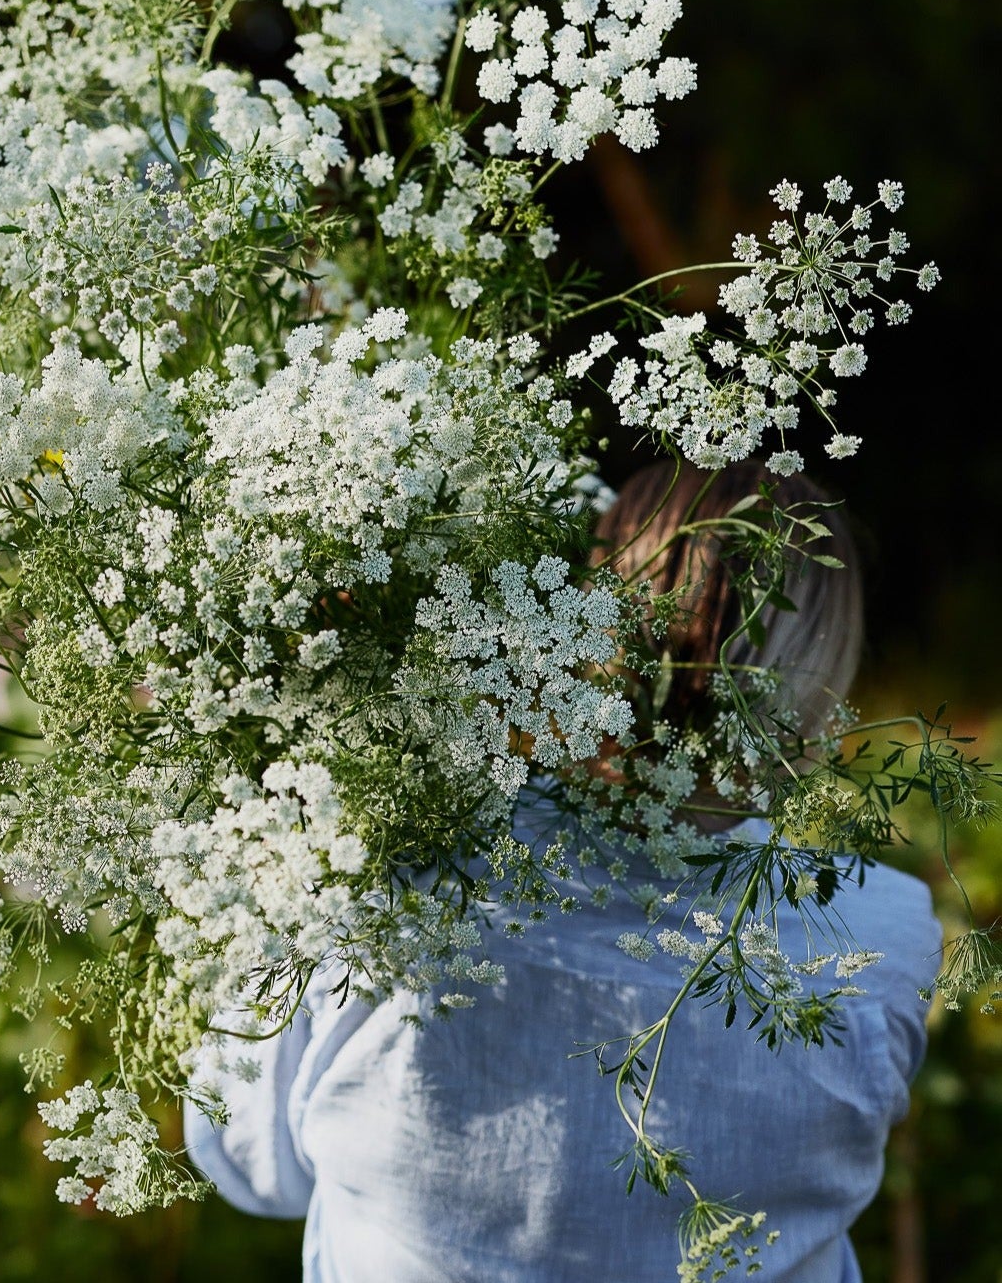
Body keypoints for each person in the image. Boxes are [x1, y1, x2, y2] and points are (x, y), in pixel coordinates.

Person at [184, 460, 941, 1282]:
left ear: (594, 616)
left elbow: (249, 1158)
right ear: (819, 664)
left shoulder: (383, 877)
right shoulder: (883, 933)